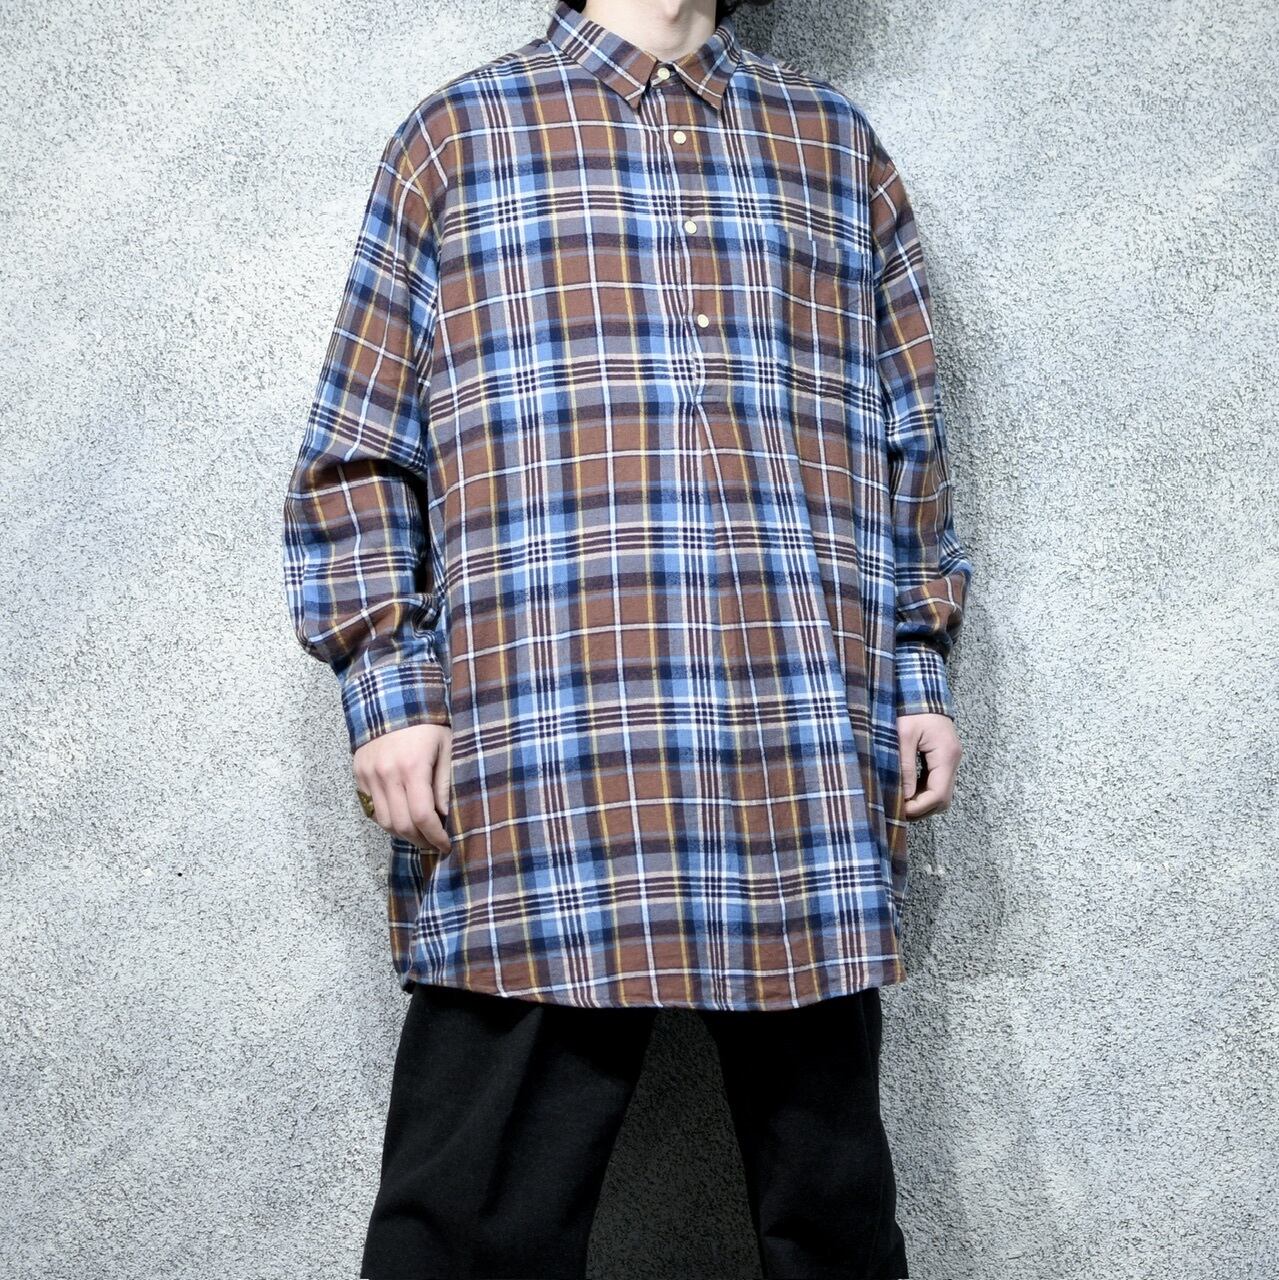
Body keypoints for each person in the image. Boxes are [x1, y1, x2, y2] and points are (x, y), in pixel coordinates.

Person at [282, 0, 973, 1274]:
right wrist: (389, 686)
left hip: (794, 751)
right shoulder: (461, 136)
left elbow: (906, 440)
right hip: (546, 756)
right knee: (465, 1233)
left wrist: (916, 663)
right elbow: (357, 456)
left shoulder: (833, 145)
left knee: (831, 1227)